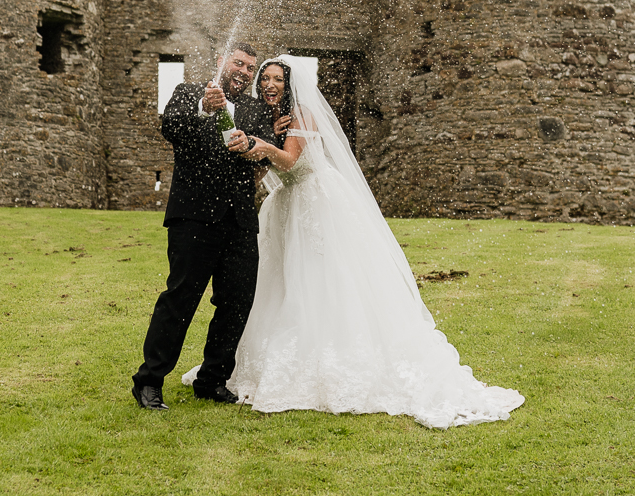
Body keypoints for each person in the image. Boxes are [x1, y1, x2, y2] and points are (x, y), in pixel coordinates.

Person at [187, 55, 524, 428]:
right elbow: (267, 168)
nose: (269, 84)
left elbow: (289, 162)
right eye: (264, 78)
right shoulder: (273, 118)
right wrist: (259, 143)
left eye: (277, 79)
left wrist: (260, 144)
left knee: (323, 279)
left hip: (314, 203)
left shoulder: (301, 113)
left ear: (290, 84)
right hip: (286, 207)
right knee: (280, 282)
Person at [131, 42, 282, 410]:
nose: (245, 71)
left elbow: (266, 153)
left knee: (237, 303)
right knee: (180, 299)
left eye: (250, 68)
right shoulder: (189, 93)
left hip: (240, 221)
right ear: (221, 63)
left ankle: (213, 380)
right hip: (194, 216)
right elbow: (172, 129)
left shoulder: (254, 109)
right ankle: (149, 381)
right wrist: (203, 109)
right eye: (239, 63)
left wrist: (253, 144)